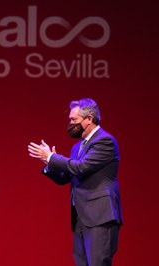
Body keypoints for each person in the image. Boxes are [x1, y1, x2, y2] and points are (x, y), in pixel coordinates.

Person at [28, 98, 123, 266]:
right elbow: (67, 176)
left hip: (99, 217)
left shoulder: (104, 141)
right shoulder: (77, 147)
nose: (70, 124)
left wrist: (52, 157)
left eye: (74, 120)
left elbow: (82, 167)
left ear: (89, 119)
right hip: (81, 217)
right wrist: (50, 164)